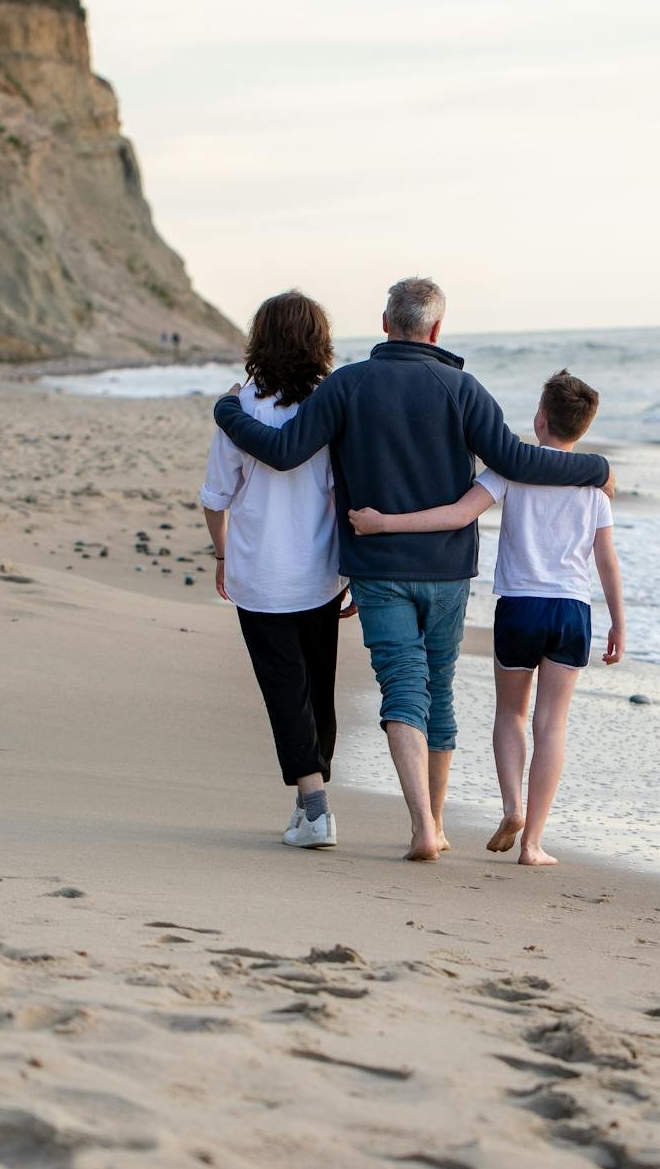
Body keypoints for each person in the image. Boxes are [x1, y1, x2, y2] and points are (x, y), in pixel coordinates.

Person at [214, 278, 613, 862]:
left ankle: (424, 826)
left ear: (384, 322)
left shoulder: (348, 383)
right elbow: (518, 461)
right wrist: (594, 466)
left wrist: (227, 410)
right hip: (448, 570)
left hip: (377, 568)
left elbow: (282, 450)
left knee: (402, 688)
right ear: (436, 329)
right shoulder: (462, 388)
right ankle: (436, 823)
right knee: (439, 691)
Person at [350, 368, 624, 867]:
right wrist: (619, 624)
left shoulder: (509, 470)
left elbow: (455, 515)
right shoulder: (592, 487)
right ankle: (534, 843)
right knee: (552, 726)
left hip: (519, 608)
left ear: (539, 419)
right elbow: (606, 559)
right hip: (573, 610)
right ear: (582, 428)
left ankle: (511, 807)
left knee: (511, 715)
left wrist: (383, 523)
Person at [201, 290, 348, 849]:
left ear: (259, 340)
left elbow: (216, 496)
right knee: (318, 689)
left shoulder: (242, 411)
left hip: (259, 571)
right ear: (319, 343)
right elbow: (340, 493)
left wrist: (221, 552)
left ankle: (313, 809)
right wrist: (351, 567)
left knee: (285, 688)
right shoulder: (331, 408)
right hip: (319, 571)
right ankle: (310, 804)